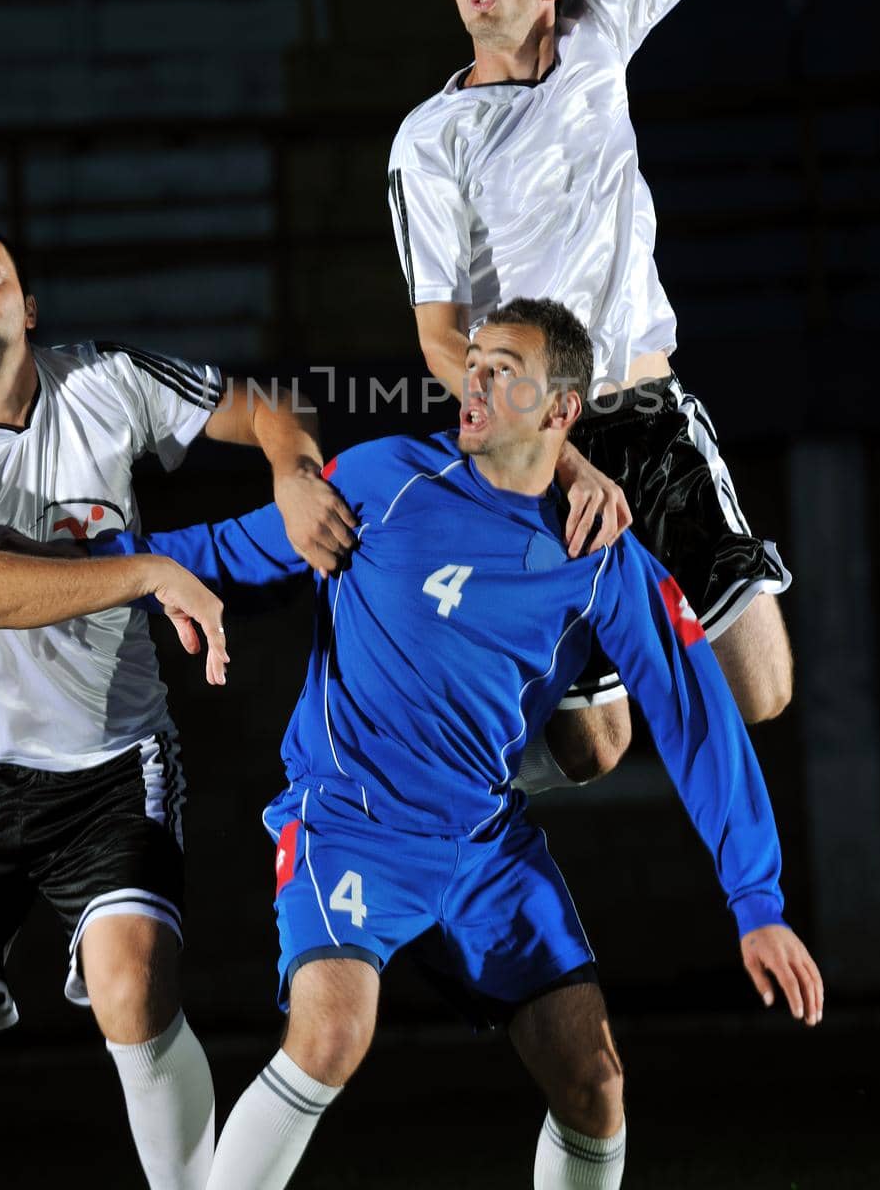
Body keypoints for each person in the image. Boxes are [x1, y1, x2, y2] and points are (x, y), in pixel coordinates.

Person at [87, 296, 823, 1190]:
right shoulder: (382, 479)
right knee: (330, 1034)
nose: (471, 380)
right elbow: (217, 551)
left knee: (593, 1084)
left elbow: (698, 722)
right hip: (349, 821)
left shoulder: (606, 559)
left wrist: (757, 902)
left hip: (482, 845)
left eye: (502, 368)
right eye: (472, 362)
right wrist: (84, 565)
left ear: (560, 413)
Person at [0, 212, 356, 1190]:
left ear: (28, 302)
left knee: (131, 989)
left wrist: (290, 469)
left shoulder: (106, 379)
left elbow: (266, 405)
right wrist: (148, 569)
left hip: (111, 761)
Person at [386, 0, 793, 782]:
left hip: (645, 412)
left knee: (764, 690)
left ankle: (635, 600)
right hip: (532, 443)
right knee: (591, 752)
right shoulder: (429, 137)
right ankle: (542, 655)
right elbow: (438, 335)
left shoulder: (599, 40)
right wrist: (549, 456)